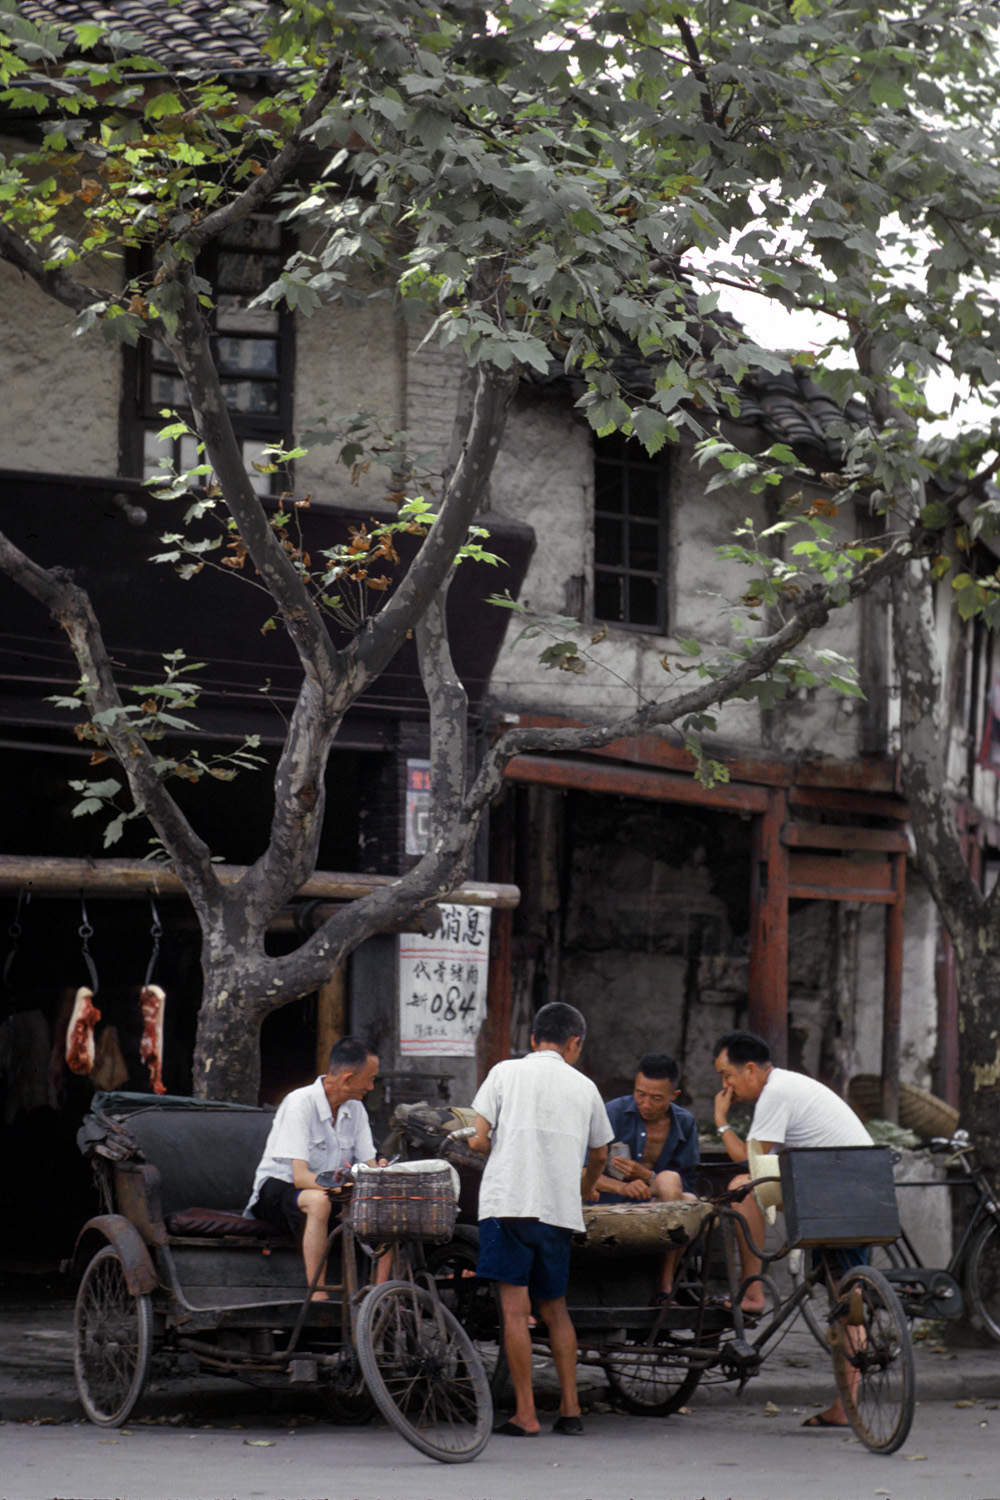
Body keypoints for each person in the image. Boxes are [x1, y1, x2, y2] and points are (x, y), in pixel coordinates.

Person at [713, 1028, 873, 1429]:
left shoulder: (776, 1093)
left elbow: (749, 1161)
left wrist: (719, 1121)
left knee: (740, 1188)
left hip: (837, 1190)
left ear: (751, 1069)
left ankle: (753, 1292)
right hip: (845, 1185)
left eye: (727, 1076)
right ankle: (845, 1405)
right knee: (842, 1297)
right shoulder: (786, 1087)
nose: (725, 1085)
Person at [467, 1001, 612, 1437]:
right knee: (556, 1310)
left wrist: (490, 1145)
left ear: (533, 1039)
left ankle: (526, 1415)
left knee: (515, 1312)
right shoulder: (585, 1087)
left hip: (508, 1204)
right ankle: (570, 1411)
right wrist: (587, 1186)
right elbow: (602, 1152)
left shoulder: (504, 1072)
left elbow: (479, 1138)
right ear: (574, 1044)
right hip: (557, 1212)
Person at [244, 1035, 383, 1300]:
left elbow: (370, 1165)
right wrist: (346, 1186)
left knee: (387, 1204)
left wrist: (380, 1173)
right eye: (370, 1078)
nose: (371, 1086)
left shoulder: (356, 1110)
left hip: (333, 1190)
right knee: (319, 1202)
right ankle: (317, 1293)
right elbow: (300, 1177)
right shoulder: (300, 1103)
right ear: (347, 1078)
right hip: (280, 1189)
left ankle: (378, 1296)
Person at [594, 1052, 700, 1302]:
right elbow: (584, 1172)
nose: (646, 1104)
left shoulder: (684, 1122)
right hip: (610, 1205)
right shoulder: (613, 1113)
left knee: (678, 1186)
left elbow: (688, 1178)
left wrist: (646, 1176)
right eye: (640, 1094)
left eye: (656, 1098)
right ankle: (664, 1287)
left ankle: (665, 1281)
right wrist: (622, 1187)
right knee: (683, 1196)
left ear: (674, 1096)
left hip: (660, 1204)